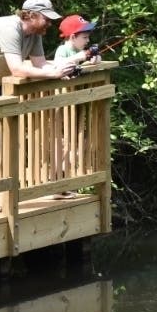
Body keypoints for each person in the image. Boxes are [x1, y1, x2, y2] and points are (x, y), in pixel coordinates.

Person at [0, 0, 78, 212]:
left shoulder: (35, 34)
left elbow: (41, 65)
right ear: (31, 15)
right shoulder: (10, 29)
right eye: (46, 19)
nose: (50, 23)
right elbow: (18, 70)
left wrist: (66, 69)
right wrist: (52, 73)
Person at [50, 14, 102, 200]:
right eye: (84, 37)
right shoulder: (63, 51)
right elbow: (58, 65)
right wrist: (81, 57)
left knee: (80, 141)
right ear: (73, 37)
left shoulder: (80, 51)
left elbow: (87, 63)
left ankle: (63, 180)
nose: (88, 41)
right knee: (63, 141)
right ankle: (57, 181)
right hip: (63, 104)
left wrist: (93, 59)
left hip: (77, 103)